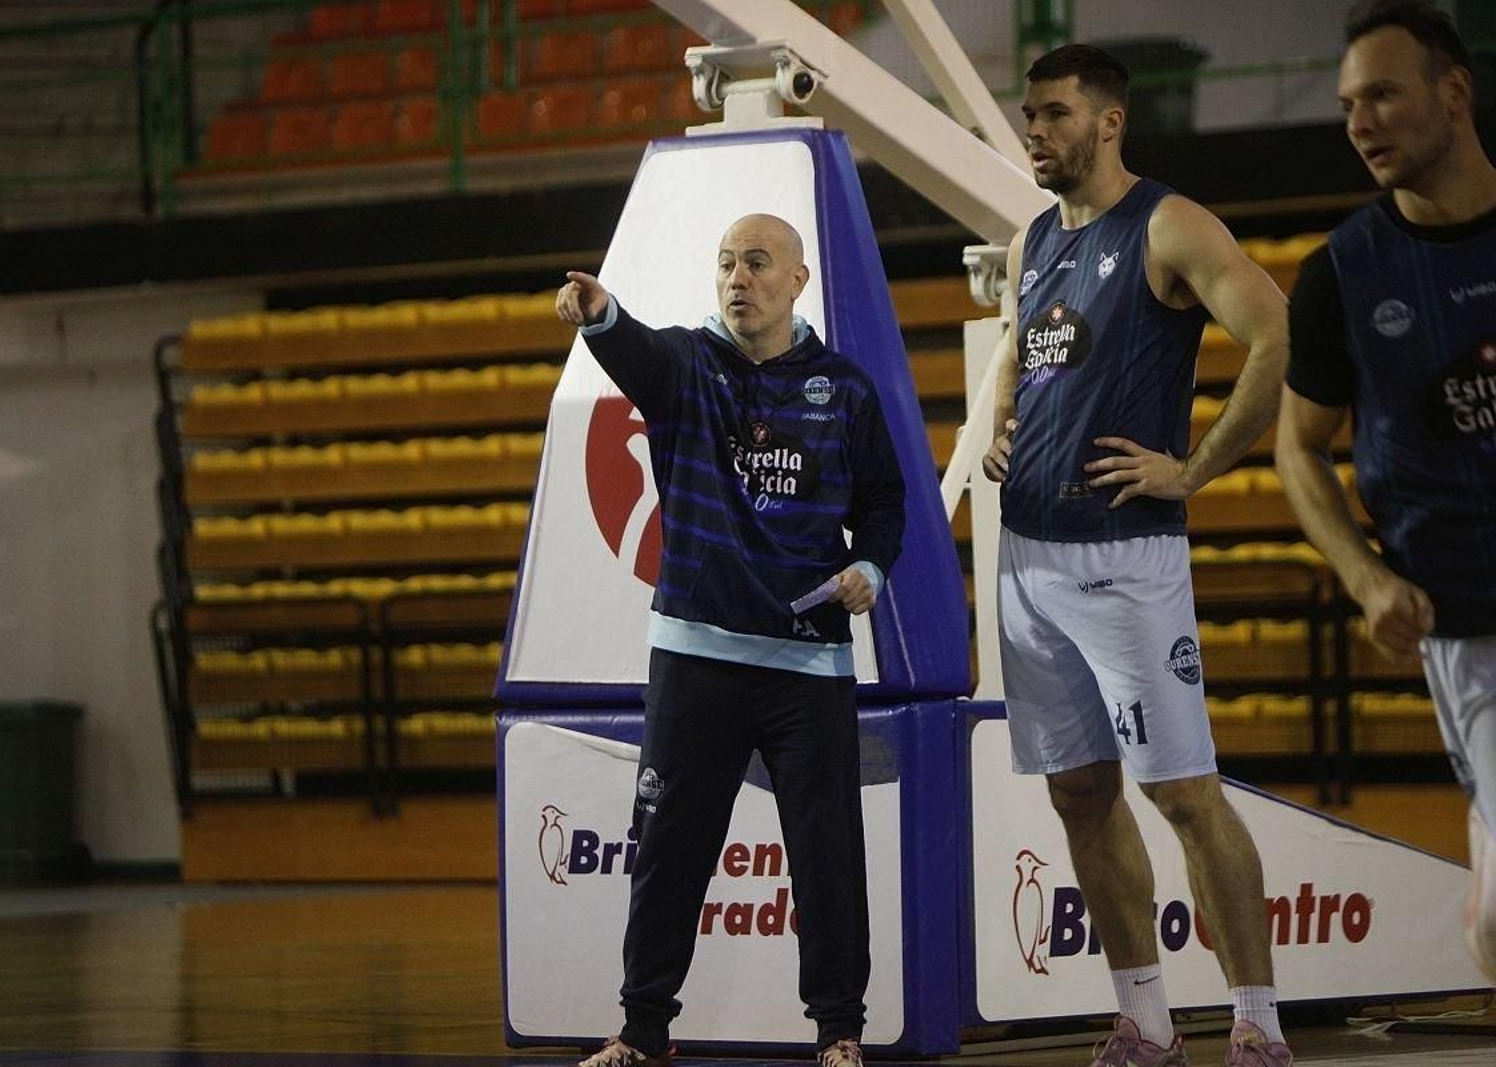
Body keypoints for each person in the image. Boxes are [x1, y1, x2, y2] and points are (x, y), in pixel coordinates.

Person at [982, 45, 1294, 1066]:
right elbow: (1016, 341)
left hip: (1124, 559)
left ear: (1109, 121)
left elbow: (1273, 332)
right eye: (1029, 114)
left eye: (1055, 113)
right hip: (1027, 559)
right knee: (1078, 792)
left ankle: (1257, 1022)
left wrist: (1192, 468)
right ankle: (1147, 1022)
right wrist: (1000, 421)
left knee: (1185, 793)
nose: (1035, 130)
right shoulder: (1034, 237)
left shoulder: (1167, 223)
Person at [555, 213, 905, 1067]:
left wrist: (872, 566)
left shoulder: (846, 389)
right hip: (696, 657)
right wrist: (601, 313)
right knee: (668, 852)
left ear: (797, 280)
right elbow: (634, 349)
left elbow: (885, 504)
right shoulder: (686, 364)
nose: (738, 278)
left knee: (826, 857)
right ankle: (642, 1031)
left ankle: (839, 1034)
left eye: (756, 263)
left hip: (809, 664)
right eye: (725, 264)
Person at [1274, 0, 1496, 985]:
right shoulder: (1341, 275)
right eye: (1346, 106)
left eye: (1382, 96)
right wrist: (1365, 577)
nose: (1359, 122)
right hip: (1468, 621)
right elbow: (1297, 448)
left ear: (1454, 93)